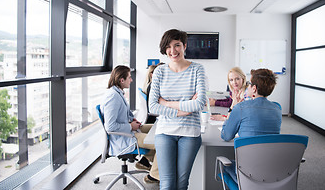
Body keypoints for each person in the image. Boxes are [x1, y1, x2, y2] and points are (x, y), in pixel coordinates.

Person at [149, 29, 207, 190]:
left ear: (184, 46)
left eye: (177, 45)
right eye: (168, 46)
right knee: (167, 184)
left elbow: (199, 104)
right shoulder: (160, 71)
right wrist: (183, 109)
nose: (172, 51)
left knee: (181, 184)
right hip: (165, 132)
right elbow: (153, 106)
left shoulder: (197, 69)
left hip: (190, 133)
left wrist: (167, 103)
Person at [220, 68, 282, 183]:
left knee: (224, 166)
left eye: (249, 84)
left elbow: (226, 136)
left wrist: (233, 108)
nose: (247, 86)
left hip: (247, 174)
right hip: (272, 172)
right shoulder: (277, 108)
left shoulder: (241, 108)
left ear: (254, 88)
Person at [101, 65, 159, 184]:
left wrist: (133, 120)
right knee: (161, 141)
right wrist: (130, 126)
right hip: (124, 137)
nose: (131, 80)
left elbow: (124, 114)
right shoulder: (113, 97)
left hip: (129, 130)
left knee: (157, 128)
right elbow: (110, 127)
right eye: (129, 77)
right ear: (121, 80)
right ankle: (155, 175)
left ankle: (148, 163)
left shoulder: (118, 93)